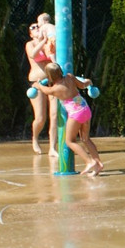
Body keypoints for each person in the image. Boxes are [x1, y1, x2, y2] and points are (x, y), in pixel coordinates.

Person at [34, 62, 104, 175]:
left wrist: (38, 85)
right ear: (60, 71)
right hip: (85, 109)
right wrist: (88, 82)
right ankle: (98, 164)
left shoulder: (55, 89)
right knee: (86, 139)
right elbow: (82, 85)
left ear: (49, 76)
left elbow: (45, 90)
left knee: (69, 141)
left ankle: (89, 161)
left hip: (76, 114)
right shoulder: (70, 77)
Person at [25, 22, 57, 155]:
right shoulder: (30, 44)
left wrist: (48, 41)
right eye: (33, 27)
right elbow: (33, 54)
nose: (37, 28)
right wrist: (43, 40)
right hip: (37, 83)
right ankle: (35, 138)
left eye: (38, 26)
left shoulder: (48, 44)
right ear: (31, 34)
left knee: (54, 115)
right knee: (40, 118)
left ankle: (52, 147)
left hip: (51, 82)